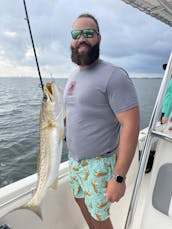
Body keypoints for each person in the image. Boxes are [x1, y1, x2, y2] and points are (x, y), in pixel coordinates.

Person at [63, 13, 140, 229]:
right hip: (74, 161)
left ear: (99, 38)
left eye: (88, 33)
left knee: (99, 218)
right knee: (82, 204)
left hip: (98, 163)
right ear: (71, 39)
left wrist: (119, 178)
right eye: (76, 34)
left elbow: (131, 125)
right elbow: (75, 113)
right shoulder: (72, 77)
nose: (82, 39)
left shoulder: (114, 76)